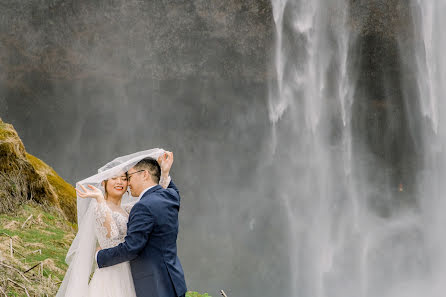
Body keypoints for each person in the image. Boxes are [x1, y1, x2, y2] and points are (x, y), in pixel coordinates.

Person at [56, 149, 179, 297]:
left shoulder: (129, 209)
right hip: (110, 274)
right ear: (104, 182)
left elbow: (156, 199)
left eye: (124, 178)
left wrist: (164, 173)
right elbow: (112, 238)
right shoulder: (98, 207)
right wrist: (100, 200)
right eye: (114, 178)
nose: (120, 182)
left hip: (132, 274)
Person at [96, 151, 187, 297]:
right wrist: (165, 172)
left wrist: (99, 256)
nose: (128, 183)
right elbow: (172, 189)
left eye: (129, 177)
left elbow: (131, 248)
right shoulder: (171, 196)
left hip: (155, 287)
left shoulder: (143, 206)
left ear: (144, 174)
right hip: (174, 282)